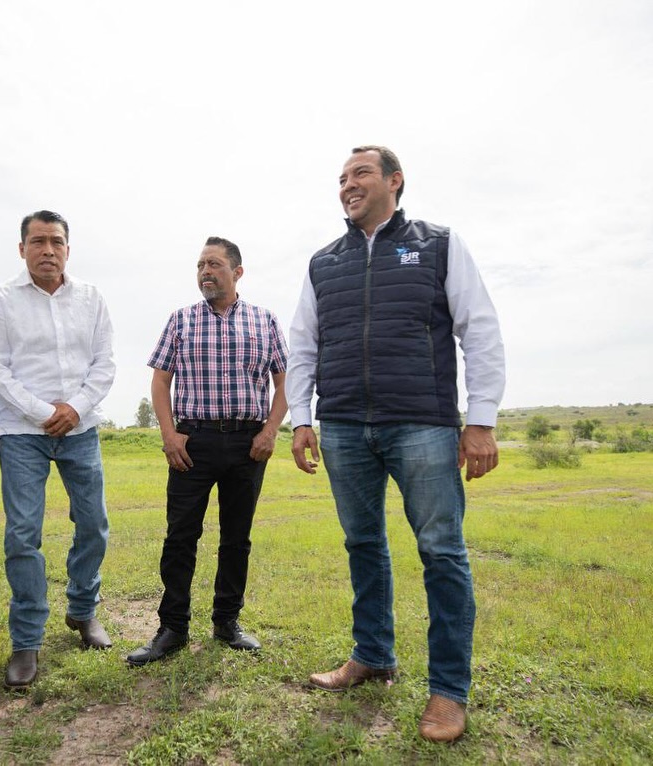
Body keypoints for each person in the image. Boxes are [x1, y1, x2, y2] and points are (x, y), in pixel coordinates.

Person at [287, 146, 505, 742]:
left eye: (360, 174)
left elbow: (479, 328)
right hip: (345, 428)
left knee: (441, 551)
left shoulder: (438, 243)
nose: (347, 185)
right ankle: (373, 655)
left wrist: (480, 420)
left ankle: (448, 691)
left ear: (394, 181)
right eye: (341, 178)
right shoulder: (322, 262)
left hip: (423, 425)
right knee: (362, 542)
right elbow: (303, 344)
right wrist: (301, 418)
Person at [127, 236, 288, 666]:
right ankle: (173, 628)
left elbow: (284, 382)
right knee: (180, 537)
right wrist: (169, 434)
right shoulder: (181, 320)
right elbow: (161, 381)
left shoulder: (264, 320)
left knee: (237, 539)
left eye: (214, 264)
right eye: (200, 265)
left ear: (237, 272)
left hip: (247, 443)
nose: (204, 272)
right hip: (191, 442)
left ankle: (226, 622)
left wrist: (271, 431)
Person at [0, 210, 116, 689]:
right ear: (21, 249)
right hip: (22, 435)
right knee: (22, 535)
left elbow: (104, 364)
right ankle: (27, 639)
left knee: (94, 525)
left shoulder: (92, 298)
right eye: (37, 241)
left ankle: (82, 611)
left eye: (56, 241)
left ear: (68, 249)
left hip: (81, 431)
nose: (48, 250)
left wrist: (74, 409)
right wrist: (44, 412)